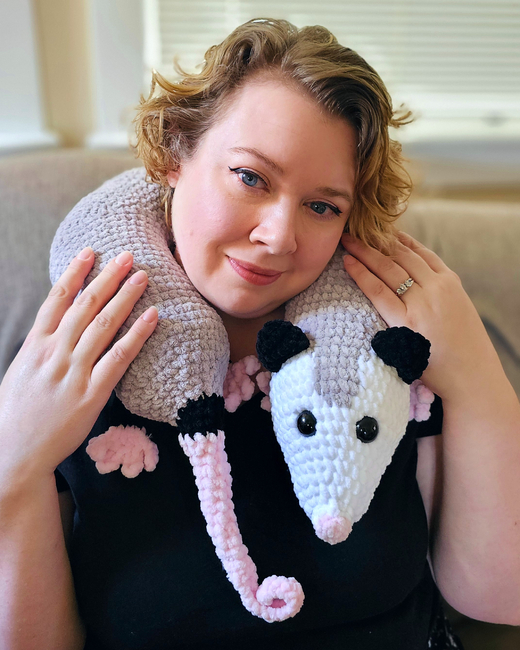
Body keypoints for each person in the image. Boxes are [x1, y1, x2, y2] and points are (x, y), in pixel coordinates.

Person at [1, 17, 519, 650]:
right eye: (250, 177)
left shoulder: (390, 349)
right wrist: (14, 466)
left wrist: (475, 375)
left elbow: (500, 595)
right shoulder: (77, 357)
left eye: (322, 206)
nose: (278, 236)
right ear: (174, 152)